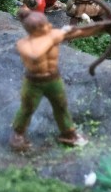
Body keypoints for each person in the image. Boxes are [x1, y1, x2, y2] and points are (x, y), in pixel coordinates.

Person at [10, 9, 100, 150]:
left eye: (47, 24)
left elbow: (80, 33)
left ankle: (68, 133)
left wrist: (101, 28)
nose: (49, 27)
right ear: (34, 31)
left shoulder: (52, 35)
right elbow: (36, 54)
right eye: (44, 26)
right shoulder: (24, 44)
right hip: (33, 83)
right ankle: (18, 135)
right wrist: (56, 35)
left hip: (53, 80)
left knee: (61, 105)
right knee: (27, 108)